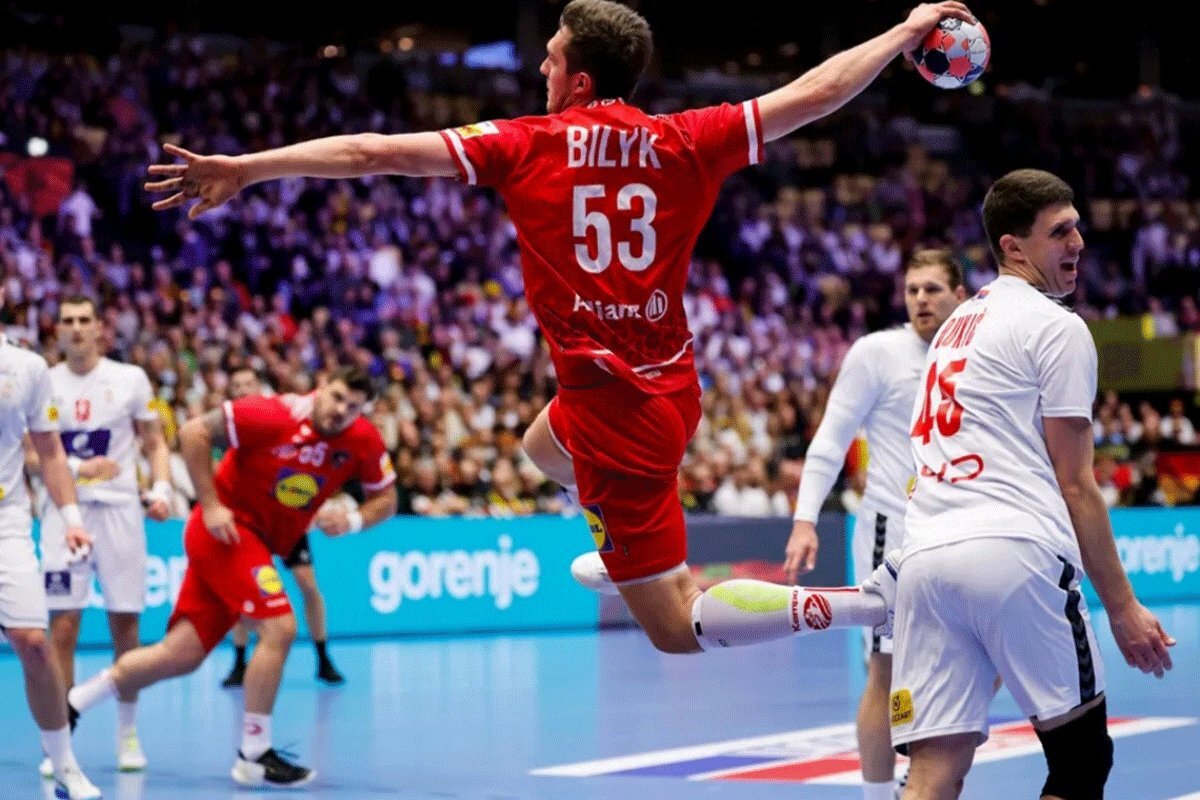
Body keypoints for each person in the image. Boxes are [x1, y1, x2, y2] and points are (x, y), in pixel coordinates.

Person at [144, 0, 978, 656]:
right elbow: (818, 92)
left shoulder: (526, 144)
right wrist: (902, 33)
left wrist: (248, 169)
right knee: (540, 449)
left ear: (577, 79)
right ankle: (621, 554)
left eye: (549, 57)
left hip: (619, 419)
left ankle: (861, 604)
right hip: (665, 388)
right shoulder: (687, 138)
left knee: (676, 627)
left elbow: (370, 154)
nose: (540, 68)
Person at [893, 169, 1175, 800]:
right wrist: (1123, 609)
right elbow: (1076, 484)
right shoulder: (1056, 326)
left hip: (926, 559)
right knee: (1081, 761)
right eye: (1060, 232)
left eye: (1077, 227)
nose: (1078, 242)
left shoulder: (952, 329)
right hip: (1013, 552)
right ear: (1013, 247)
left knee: (934, 771)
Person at [69, 366, 398, 788]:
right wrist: (209, 504)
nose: (341, 411)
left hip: (260, 541)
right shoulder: (271, 414)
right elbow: (193, 432)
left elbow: (386, 498)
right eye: (336, 397)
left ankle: (73, 702)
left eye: (353, 407)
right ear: (321, 387)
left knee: (180, 654)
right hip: (226, 533)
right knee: (279, 627)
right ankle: (254, 754)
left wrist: (352, 521)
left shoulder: (362, 439)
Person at [782, 250, 966, 800]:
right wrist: (805, 520)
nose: (921, 300)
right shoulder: (877, 353)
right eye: (912, 290)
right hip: (894, 533)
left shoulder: (977, 353)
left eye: (933, 289)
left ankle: (924, 762)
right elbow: (831, 439)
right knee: (885, 669)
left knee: (984, 655)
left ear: (960, 294)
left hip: (962, 530)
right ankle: (879, 795)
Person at [25, 295, 173, 778]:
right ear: (57, 330)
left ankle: (127, 732)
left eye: (84, 320)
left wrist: (162, 489)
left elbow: (155, 442)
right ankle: (61, 740)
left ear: (99, 328)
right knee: (62, 629)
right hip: (63, 513)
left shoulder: (130, 379)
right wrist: (76, 467)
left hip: (120, 512)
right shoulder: (42, 380)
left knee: (124, 627)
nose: (76, 328)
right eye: (67, 321)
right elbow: (30, 453)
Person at [0, 286, 101, 800]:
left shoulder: (27, 368)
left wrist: (71, 517)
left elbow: (50, 451)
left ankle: (63, 765)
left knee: (35, 643)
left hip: (6, 520)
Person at [218, 365, 347, 687]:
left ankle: (323, 657)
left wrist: (309, 505)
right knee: (241, 592)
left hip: (287, 517)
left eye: (248, 383)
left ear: (259, 387)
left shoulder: (280, 417)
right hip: (248, 521)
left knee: (307, 584)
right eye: (237, 385)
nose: (243, 389)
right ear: (231, 392)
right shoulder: (229, 428)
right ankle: (239, 662)